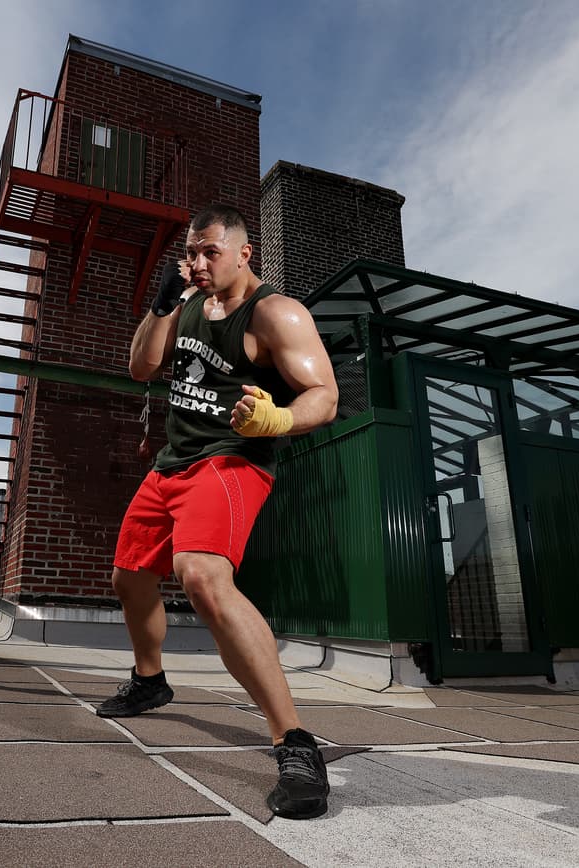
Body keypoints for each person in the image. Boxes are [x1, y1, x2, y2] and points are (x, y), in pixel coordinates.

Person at [97, 204, 339, 820]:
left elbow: (325, 396)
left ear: (243, 253)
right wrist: (160, 302)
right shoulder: (185, 306)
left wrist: (280, 419)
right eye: (192, 252)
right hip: (173, 463)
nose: (199, 262)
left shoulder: (276, 314)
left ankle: (295, 742)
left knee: (201, 575)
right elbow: (141, 368)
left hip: (232, 461)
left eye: (210, 251)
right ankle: (151, 680)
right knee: (128, 578)